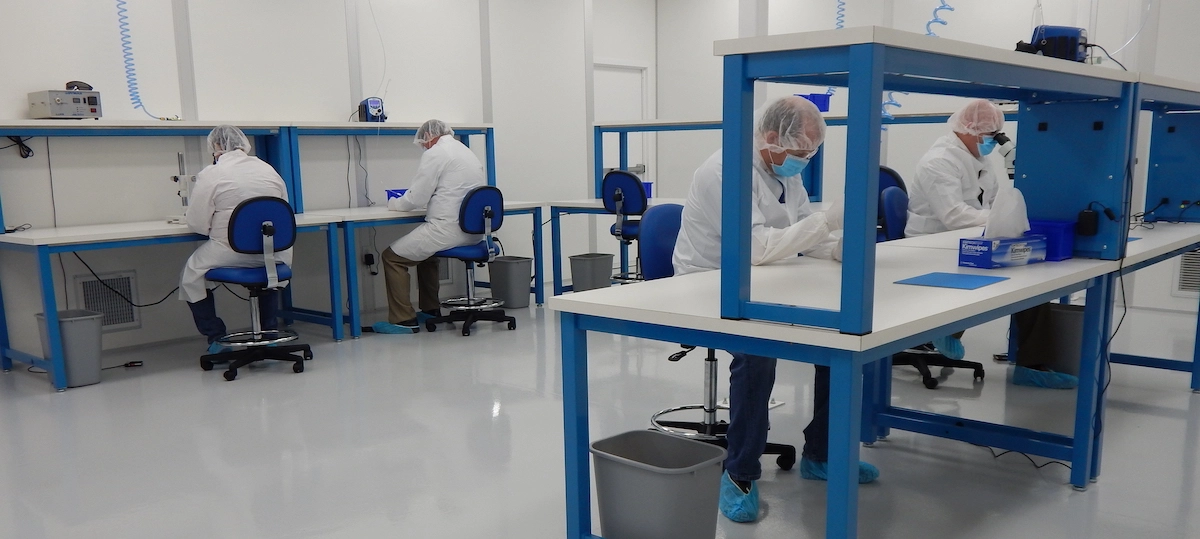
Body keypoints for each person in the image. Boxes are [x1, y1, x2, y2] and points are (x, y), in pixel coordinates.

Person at [672, 96, 878, 525]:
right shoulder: (723, 171)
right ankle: (740, 472)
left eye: (810, 153)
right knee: (758, 352)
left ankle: (822, 454)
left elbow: (798, 229)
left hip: (766, 278)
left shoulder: (781, 167)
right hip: (707, 284)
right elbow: (759, 247)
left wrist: (841, 246)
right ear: (771, 138)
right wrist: (825, 223)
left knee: (839, 339)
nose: (804, 161)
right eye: (802, 152)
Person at [905, 99, 1007, 359]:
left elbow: (992, 203)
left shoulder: (979, 158)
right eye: (989, 134)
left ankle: (1033, 359)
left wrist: (1006, 217)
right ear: (969, 128)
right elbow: (953, 216)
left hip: (964, 238)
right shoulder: (939, 161)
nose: (992, 141)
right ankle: (942, 329)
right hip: (931, 243)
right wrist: (997, 221)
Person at [181, 125, 292, 355]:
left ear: (217, 146)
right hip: (274, 251)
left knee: (191, 274)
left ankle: (216, 338)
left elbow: (196, 224)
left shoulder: (212, 173)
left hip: (231, 251)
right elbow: (283, 210)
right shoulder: (268, 169)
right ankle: (269, 333)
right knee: (268, 273)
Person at [372, 119, 486, 334]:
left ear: (429, 137)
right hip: (474, 232)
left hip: (448, 229)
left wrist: (394, 203)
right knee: (426, 254)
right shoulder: (464, 151)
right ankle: (431, 309)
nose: (423, 147)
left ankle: (403, 320)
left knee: (391, 257)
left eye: (423, 143)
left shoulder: (436, 153)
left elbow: (416, 197)